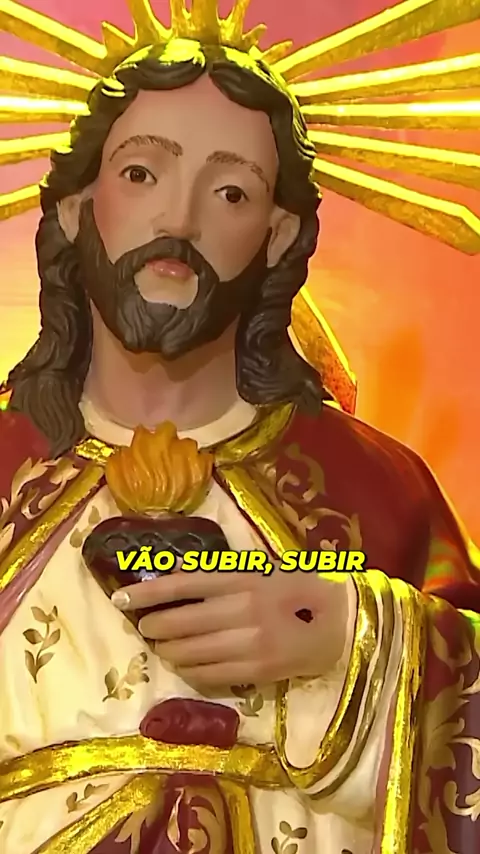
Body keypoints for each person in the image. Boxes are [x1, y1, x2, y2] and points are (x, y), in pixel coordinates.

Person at [0, 1, 479, 852]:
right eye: (141, 174)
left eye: (230, 191)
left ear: (278, 234)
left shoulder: (376, 493)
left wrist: (355, 638)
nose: (178, 221)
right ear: (76, 207)